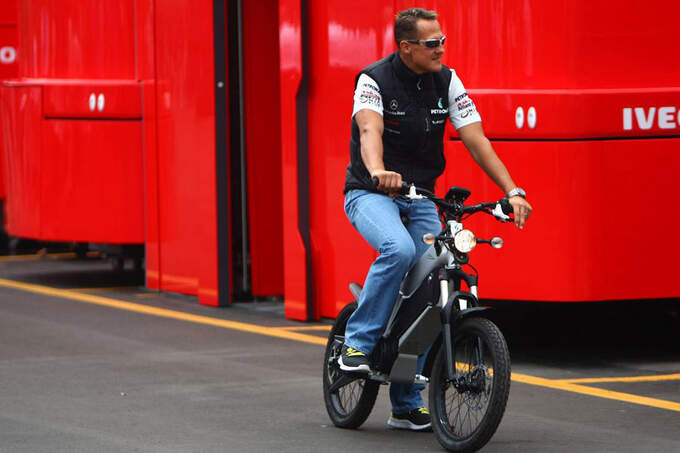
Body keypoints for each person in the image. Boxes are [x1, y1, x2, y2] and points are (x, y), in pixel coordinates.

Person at [339, 8, 533, 431]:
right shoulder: (373, 80)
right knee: (400, 248)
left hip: (422, 196)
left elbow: (475, 138)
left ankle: (405, 402)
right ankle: (355, 344)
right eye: (432, 44)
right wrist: (377, 171)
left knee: (434, 279)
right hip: (371, 193)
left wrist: (512, 190)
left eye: (442, 40)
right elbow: (369, 131)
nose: (441, 49)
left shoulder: (448, 80)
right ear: (406, 47)